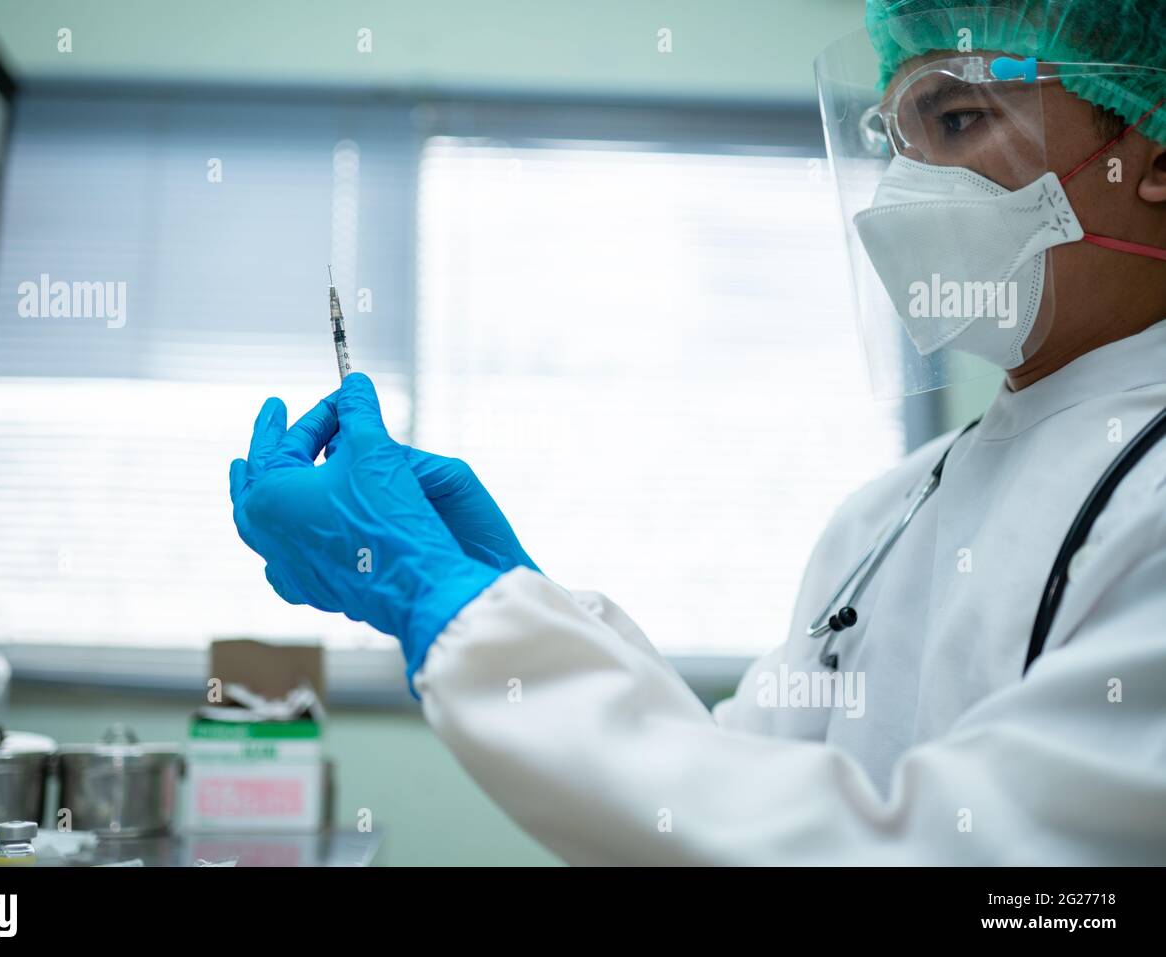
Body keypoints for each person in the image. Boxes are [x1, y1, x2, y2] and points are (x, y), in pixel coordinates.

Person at [229, 0, 1166, 865]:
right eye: (893, 141)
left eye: (956, 120)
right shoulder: (890, 511)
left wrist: (438, 596)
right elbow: (728, 788)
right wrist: (500, 595)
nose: (898, 196)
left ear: (1154, 152)